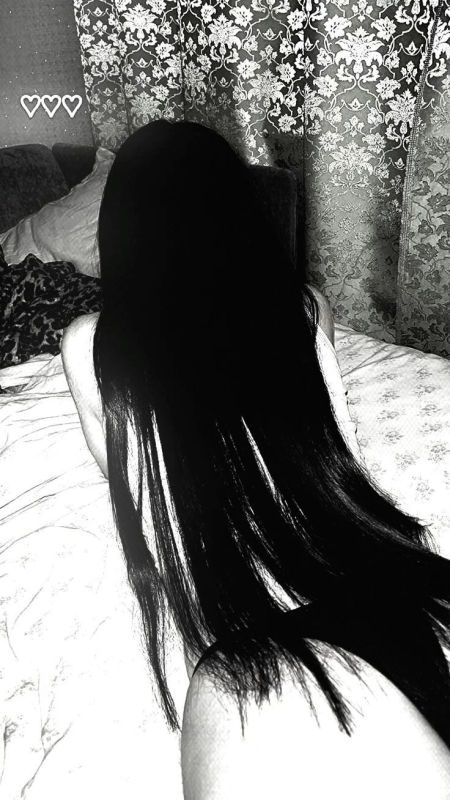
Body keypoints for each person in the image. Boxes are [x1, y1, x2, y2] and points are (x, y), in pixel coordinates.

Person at [61, 120, 450, 798]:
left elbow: (127, 484)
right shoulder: (304, 309)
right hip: (381, 589)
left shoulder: (91, 346)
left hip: (251, 636)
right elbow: (324, 431)